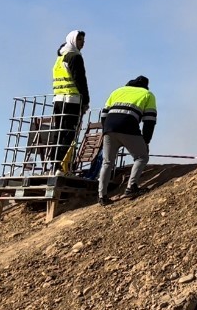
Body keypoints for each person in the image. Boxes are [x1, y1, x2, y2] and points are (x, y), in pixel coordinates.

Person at [98, 75, 156, 206]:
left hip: (108, 127)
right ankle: (131, 187)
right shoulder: (147, 94)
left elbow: (103, 115)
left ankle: (102, 196)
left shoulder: (117, 91)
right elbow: (149, 122)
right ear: (145, 86)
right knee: (141, 157)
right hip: (128, 126)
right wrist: (145, 142)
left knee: (107, 162)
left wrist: (106, 130)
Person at [51, 29, 90, 172]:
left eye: (83, 40)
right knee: (69, 132)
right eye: (80, 40)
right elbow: (80, 80)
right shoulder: (75, 57)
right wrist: (85, 101)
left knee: (59, 131)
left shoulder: (60, 58)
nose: (82, 43)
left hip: (58, 101)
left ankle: (54, 162)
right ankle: (61, 164)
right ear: (73, 40)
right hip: (71, 101)